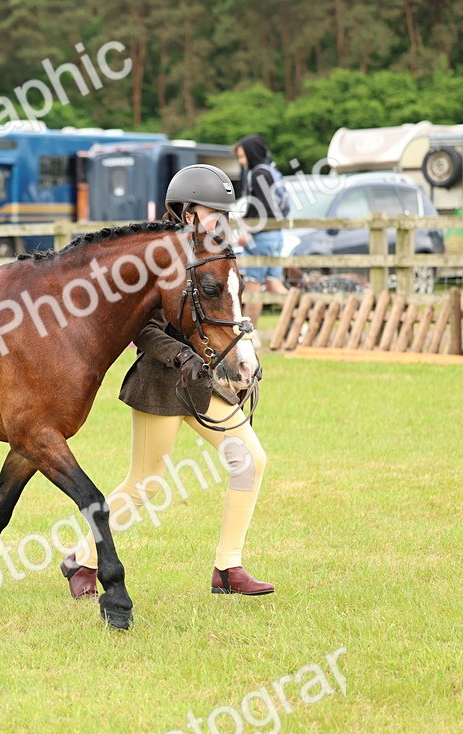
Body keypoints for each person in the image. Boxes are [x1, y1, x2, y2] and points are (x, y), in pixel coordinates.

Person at [60, 164, 274, 600]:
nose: (220, 220)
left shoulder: (216, 253)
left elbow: (226, 314)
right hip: (160, 384)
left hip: (205, 382)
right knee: (144, 485)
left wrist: (238, 360)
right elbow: (140, 328)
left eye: (223, 213)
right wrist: (180, 354)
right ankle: (82, 558)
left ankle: (228, 568)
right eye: (212, 211)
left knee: (250, 459)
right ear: (186, 211)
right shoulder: (154, 255)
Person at [234, 135, 288, 296]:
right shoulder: (270, 171)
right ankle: (299, 310)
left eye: (242, 156)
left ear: (252, 154)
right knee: (273, 283)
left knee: (253, 285)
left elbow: (263, 208)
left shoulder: (258, 174)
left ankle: (252, 320)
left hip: (261, 238)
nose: (240, 161)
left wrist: (247, 230)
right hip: (276, 235)